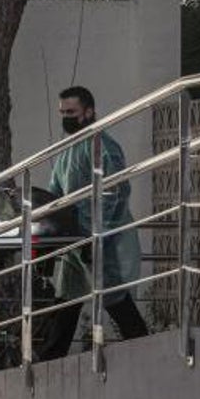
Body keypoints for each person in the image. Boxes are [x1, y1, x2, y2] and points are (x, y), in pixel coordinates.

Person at [37, 85, 148, 360]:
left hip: (102, 241)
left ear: (89, 111)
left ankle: (145, 349)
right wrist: (50, 239)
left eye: (71, 112)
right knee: (67, 300)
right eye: (62, 112)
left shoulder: (102, 146)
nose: (66, 117)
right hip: (76, 240)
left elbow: (116, 193)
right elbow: (56, 196)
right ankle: (50, 358)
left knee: (114, 298)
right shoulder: (67, 150)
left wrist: (98, 235)